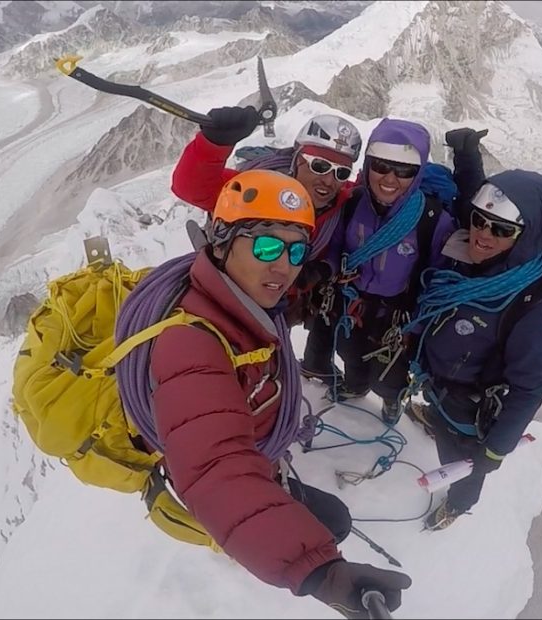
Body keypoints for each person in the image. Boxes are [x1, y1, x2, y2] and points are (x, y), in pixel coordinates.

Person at [150, 169, 411, 615]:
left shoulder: (240, 306)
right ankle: (234, 543)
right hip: (218, 475)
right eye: (267, 246)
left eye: (295, 251)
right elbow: (218, 468)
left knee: (332, 519)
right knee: (334, 522)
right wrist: (318, 572)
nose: (283, 266)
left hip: (261, 455)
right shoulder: (191, 343)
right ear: (220, 240)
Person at [408, 168, 542, 531]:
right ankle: (436, 423)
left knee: (464, 463)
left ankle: (459, 503)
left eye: (501, 230)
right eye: (480, 220)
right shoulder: (470, 261)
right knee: (441, 426)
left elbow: (530, 386)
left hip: (473, 413)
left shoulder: (535, 304)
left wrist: (496, 449)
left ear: (526, 236)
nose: (483, 235)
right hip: (441, 388)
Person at [171, 107, 363, 385]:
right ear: (297, 158)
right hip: (231, 295)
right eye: (319, 165)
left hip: (281, 299)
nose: (328, 180)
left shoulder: (339, 203)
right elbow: (193, 187)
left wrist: (323, 268)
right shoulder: (257, 188)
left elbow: (377, 195)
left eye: (341, 172)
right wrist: (214, 143)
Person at [320, 118, 456, 424]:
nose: (390, 178)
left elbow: (436, 278)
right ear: (368, 165)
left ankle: (391, 398)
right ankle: (355, 384)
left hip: (399, 315)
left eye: (404, 171)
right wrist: (328, 271)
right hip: (353, 303)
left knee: (391, 369)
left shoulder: (433, 219)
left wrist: (418, 327)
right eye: (381, 166)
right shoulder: (353, 203)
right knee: (350, 351)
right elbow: (335, 246)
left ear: (417, 173)